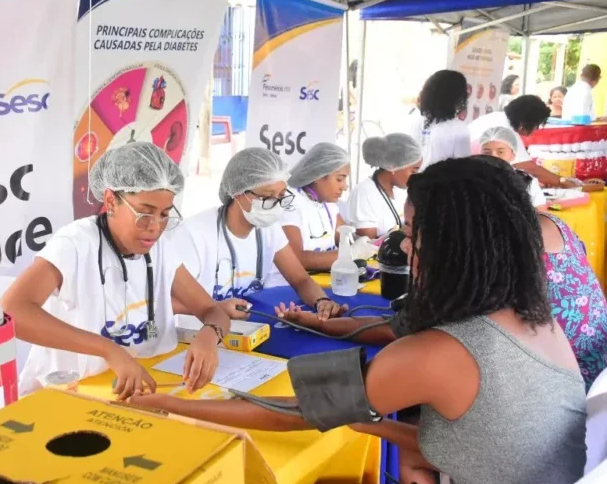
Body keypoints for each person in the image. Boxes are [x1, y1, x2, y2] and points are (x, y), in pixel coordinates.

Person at [130, 157, 587, 484]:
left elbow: (291, 412)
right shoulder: (535, 320)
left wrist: (166, 406)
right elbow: (479, 432)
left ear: (453, 246)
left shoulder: (439, 352)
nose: (404, 249)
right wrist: (363, 423)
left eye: (411, 235)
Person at [283, 155, 607, 391]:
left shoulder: (479, 281)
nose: (406, 246)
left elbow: (394, 337)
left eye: (411, 233)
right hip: (592, 403)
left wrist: (322, 325)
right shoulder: (552, 228)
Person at [2, 142, 230, 399]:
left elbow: (213, 312)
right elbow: (12, 311)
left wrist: (209, 336)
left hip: (142, 386)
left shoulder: (161, 247)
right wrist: (108, 350)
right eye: (144, 213)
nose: (155, 226)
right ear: (111, 200)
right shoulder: (76, 243)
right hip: (70, 393)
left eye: (165, 214)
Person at [173, 147, 346, 321]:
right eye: (267, 197)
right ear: (238, 193)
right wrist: (214, 308)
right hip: (195, 334)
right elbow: (162, 302)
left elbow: (301, 280)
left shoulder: (268, 228)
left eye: (281, 196)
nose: (276, 205)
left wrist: (321, 301)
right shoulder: (194, 234)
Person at [275, 143, 359, 275]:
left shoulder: (329, 204)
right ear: (319, 176)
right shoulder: (290, 202)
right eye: (339, 179)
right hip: (290, 287)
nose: (345, 186)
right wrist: (352, 253)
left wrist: (370, 244)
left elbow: (346, 238)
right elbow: (296, 259)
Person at [469, 94, 580, 188]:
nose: (536, 129)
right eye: (537, 125)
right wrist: (565, 182)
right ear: (524, 123)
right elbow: (529, 167)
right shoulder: (505, 130)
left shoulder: (495, 117)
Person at [348, 133, 422, 239]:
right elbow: (366, 246)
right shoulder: (364, 193)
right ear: (394, 166)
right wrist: (400, 234)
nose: (416, 176)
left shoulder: (401, 190)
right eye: (414, 170)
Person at [406, 70, 471, 169]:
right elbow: (463, 167)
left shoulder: (416, 121)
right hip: (443, 182)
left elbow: (409, 160)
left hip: (415, 182)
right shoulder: (459, 129)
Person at [479, 126, 546, 208]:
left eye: (500, 152)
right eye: (487, 152)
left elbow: (542, 214)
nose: (493, 156)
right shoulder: (471, 180)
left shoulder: (526, 182)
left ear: (513, 154)